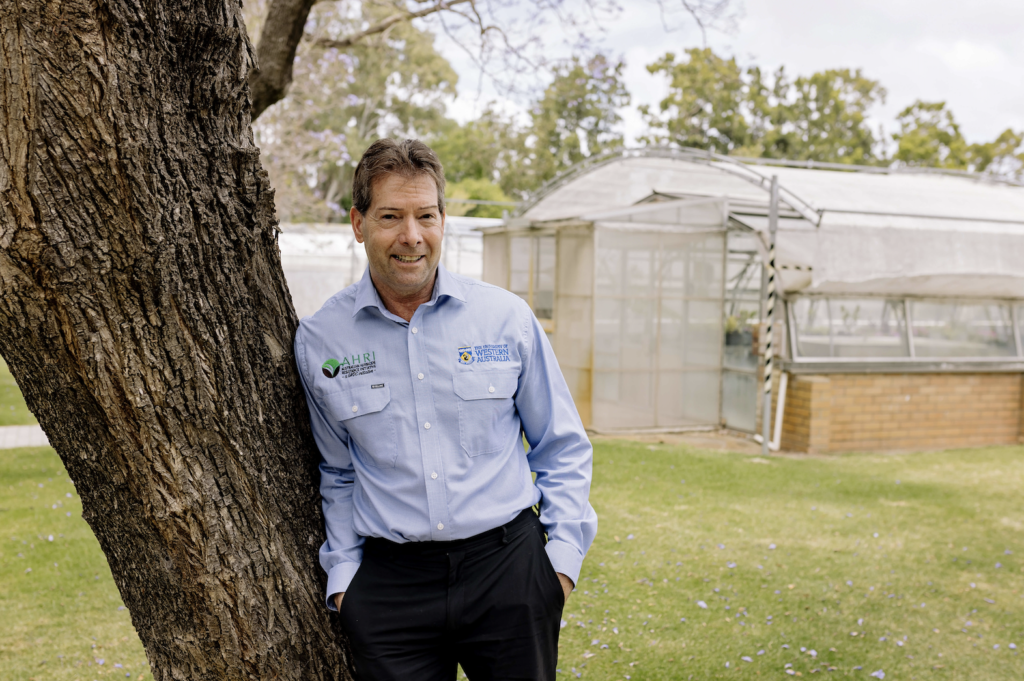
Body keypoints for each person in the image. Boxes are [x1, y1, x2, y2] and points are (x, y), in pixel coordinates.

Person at [293, 138, 597, 681]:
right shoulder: (322, 339)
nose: (411, 236)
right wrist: (345, 579)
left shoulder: (505, 318)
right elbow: (336, 471)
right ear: (358, 223)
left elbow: (561, 443)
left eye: (425, 216)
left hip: (508, 572)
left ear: (443, 220)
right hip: (391, 589)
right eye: (390, 216)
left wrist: (561, 565)